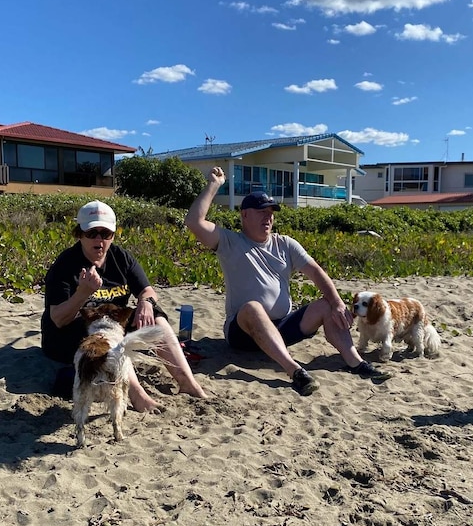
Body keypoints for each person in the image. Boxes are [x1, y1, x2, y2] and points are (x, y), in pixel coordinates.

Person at [184, 167, 389, 396]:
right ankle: (295, 371)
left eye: (271, 212)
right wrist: (214, 184)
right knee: (253, 307)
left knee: (328, 303)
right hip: (243, 332)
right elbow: (193, 221)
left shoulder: (285, 243)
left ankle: (356, 363)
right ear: (244, 215)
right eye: (262, 211)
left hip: (282, 327)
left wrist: (338, 303)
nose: (268, 216)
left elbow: (316, 272)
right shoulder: (230, 242)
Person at [41, 200, 207, 410]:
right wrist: (82, 293)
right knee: (106, 334)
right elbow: (58, 318)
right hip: (70, 336)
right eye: (92, 233)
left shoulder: (121, 258)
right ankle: (137, 395)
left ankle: (187, 382)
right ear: (80, 234)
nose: (99, 239)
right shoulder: (66, 265)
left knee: (155, 315)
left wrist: (146, 302)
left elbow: (147, 290)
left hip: (112, 325)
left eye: (106, 233)